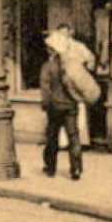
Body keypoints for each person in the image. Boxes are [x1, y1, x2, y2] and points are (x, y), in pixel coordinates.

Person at [40, 29, 83, 180]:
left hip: (55, 107)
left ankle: (50, 168)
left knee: (52, 137)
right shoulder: (71, 65)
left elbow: (45, 89)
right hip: (71, 106)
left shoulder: (48, 66)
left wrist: (45, 105)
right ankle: (76, 169)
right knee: (74, 137)